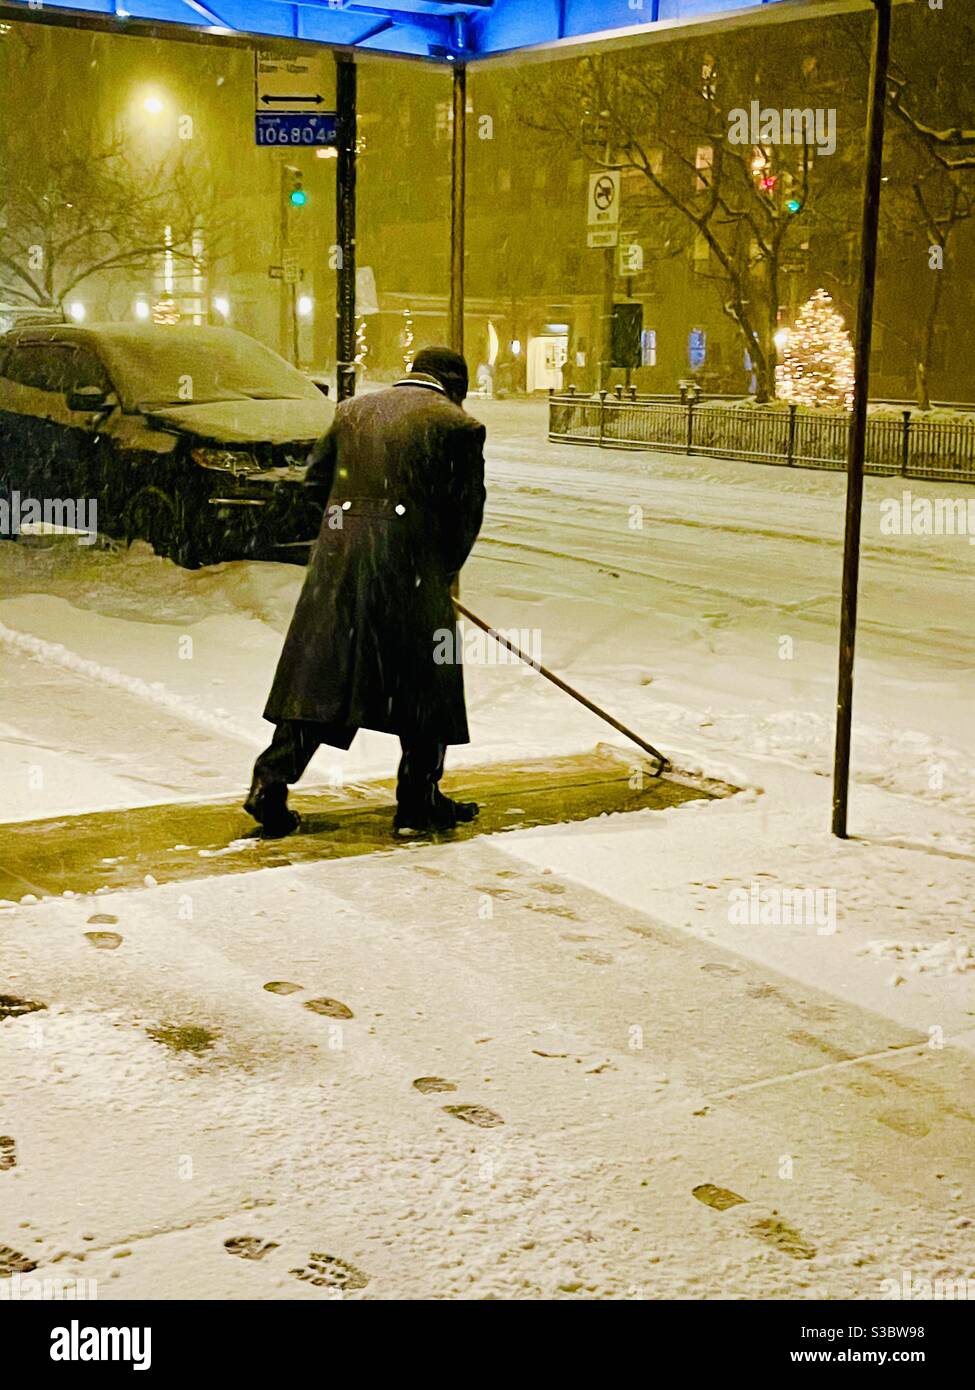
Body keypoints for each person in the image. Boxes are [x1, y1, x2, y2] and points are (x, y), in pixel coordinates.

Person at [245, 346, 486, 837]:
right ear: (454, 386)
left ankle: (270, 782)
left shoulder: (351, 411)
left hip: (340, 567)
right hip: (411, 570)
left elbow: (313, 487)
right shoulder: (459, 427)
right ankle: (418, 804)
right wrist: (438, 571)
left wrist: (338, 546)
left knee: (322, 678)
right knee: (425, 686)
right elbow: (464, 515)